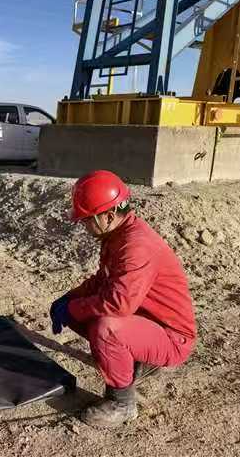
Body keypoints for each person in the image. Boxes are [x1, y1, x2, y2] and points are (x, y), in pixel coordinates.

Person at [50, 170, 196, 428]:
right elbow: (102, 281)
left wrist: (74, 307)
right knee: (83, 313)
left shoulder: (135, 246)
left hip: (172, 337)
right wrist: (70, 298)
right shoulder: (116, 236)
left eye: (87, 220)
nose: (84, 226)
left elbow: (119, 303)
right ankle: (131, 359)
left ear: (107, 216)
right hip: (148, 321)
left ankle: (122, 403)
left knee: (106, 329)